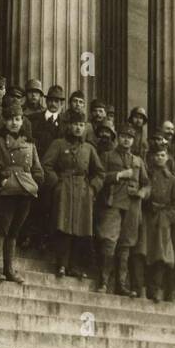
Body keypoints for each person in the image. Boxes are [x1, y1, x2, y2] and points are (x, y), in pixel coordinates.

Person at [0, 99, 43, 283]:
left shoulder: (29, 142)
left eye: (17, 119)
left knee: (14, 231)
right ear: (4, 121)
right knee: (1, 228)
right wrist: (1, 179)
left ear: (22, 120)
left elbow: (37, 167)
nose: (14, 123)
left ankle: (9, 270)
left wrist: (36, 182)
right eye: (10, 119)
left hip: (25, 191)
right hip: (6, 190)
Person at [40, 109, 104, 278]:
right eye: (75, 124)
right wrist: (57, 184)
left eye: (81, 125)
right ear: (68, 126)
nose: (78, 128)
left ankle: (74, 266)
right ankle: (61, 263)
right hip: (65, 189)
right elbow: (45, 166)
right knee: (63, 226)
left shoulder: (89, 149)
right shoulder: (58, 144)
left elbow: (100, 173)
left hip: (83, 192)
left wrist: (92, 188)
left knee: (80, 228)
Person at [96, 121, 148, 296]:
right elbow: (100, 177)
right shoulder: (108, 156)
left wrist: (142, 192)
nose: (126, 141)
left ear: (133, 141)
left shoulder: (138, 161)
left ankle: (121, 285)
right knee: (109, 242)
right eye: (124, 137)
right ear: (118, 138)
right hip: (113, 203)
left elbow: (148, 185)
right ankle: (103, 282)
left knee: (126, 246)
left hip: (132, 207)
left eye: (130, 138)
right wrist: (119, 175)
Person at [143, 142, 175, 303]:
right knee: (144, 252)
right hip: (146, 217)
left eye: (162, 155)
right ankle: (141, 286)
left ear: (167, 157)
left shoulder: (173, 180)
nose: (159, 158)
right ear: (151, 157)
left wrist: (167, 217)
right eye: (156, 155)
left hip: (162, 223)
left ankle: (155, 290)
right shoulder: (146, 174)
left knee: (160, 256)